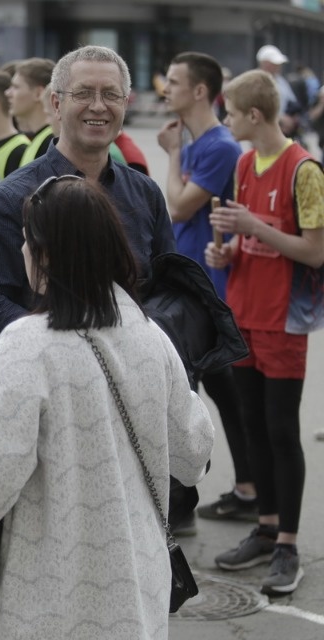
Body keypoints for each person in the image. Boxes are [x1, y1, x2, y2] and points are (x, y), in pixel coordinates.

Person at [0, 176, 214, 638]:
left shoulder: (27, 344)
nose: (20, 251)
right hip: (137, 591)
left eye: (25, 240)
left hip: (46, 597)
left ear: (48, 253)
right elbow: (195, 452)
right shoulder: (150, 336)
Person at [0, 45, 175, 345]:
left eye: (111, 94)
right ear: (56, 103)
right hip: (52, 379)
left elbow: (169, 290)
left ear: (125, 104)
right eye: (84, 93)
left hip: (134, 377)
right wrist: (70, 342)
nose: (99, 106)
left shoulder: (145, 193)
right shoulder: (13, 198)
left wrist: (141, 339)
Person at [205, 68, 324, 596]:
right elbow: (244, 243)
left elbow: (316, 252)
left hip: (282, 320)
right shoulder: (246, 163)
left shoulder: (305, 170)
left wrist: (255, 229)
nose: (225, 120)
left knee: (280, 431)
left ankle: (288, 546)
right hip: (242, 311)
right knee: (252, 424)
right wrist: (225, 251)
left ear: (254, 115)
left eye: (229, 112)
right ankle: (267, 526)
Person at [157, 51, 253, 524]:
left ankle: (198, 503)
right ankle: (243, 489)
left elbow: (176, 207)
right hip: (192, 287)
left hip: (210, 291)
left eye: (174, 81)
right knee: (208, 392)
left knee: (207, 394)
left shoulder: (218, 146)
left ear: (199, 90)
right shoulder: (199, 143)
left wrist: (172, 155)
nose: (165, 89)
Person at [6, 57, 55, 165]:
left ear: (38, 94)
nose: (8, 93)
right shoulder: (38, 140)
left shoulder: (52, 142)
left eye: (16, 87)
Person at [256, 45, 298, 117]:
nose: (278, 66)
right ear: (264, 63)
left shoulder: (282, 81)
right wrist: (281, 118)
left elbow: (291, 100)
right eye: (274, 63)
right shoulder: (254, 80)